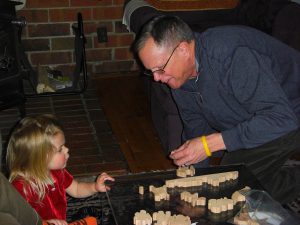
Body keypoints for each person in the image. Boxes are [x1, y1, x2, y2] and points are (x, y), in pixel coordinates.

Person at [133, 15, 300, 204]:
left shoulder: (231, 55)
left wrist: (209, 144)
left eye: (160, 69)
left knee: (232, 187)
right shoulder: (181, 80)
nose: (156, 78)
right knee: (224, 188)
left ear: (183, 49)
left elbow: (281, 118)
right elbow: (195, 131)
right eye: (150, 71)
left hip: (289, 112)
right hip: (259, 118)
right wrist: (194, 181)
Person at [6, 114, 115, 225]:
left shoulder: (57, 172)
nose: (67, 149)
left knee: (93, 221)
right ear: (40, 158)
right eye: (60, 149)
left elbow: (76, 189)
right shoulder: (21, 188)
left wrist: (94, 187)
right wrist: (45, 223)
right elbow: (16, 220)